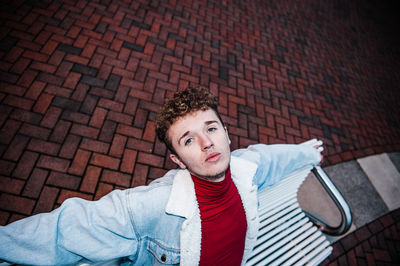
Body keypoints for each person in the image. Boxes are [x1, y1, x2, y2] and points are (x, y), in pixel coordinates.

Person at [0, 86, 323, 265]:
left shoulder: (248, 168)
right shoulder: (153, 207)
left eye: (211, 128)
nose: (206, 142)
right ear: (177, 160)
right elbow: (67, 228)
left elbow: (277, 158)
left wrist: (309, 153)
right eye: (188, 140)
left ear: (226, 133)